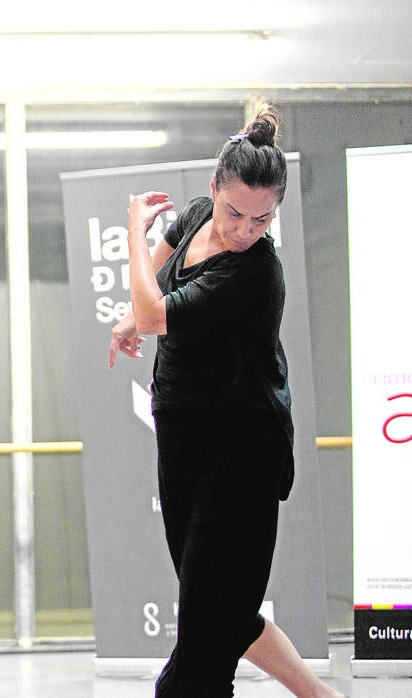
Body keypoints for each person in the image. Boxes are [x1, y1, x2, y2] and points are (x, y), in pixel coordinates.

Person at [109, 103, 342, 698]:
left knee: (206, 626)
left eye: (263, 220)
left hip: (244, 447)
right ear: (213, 188)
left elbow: (154, 311)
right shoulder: (192, 219)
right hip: (184, 434)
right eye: (235, 212)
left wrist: (131, 235)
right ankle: (322, 697)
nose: (245, 231)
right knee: (223, 604)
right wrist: (129, 318)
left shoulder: (254, 273)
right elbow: (157, 280)